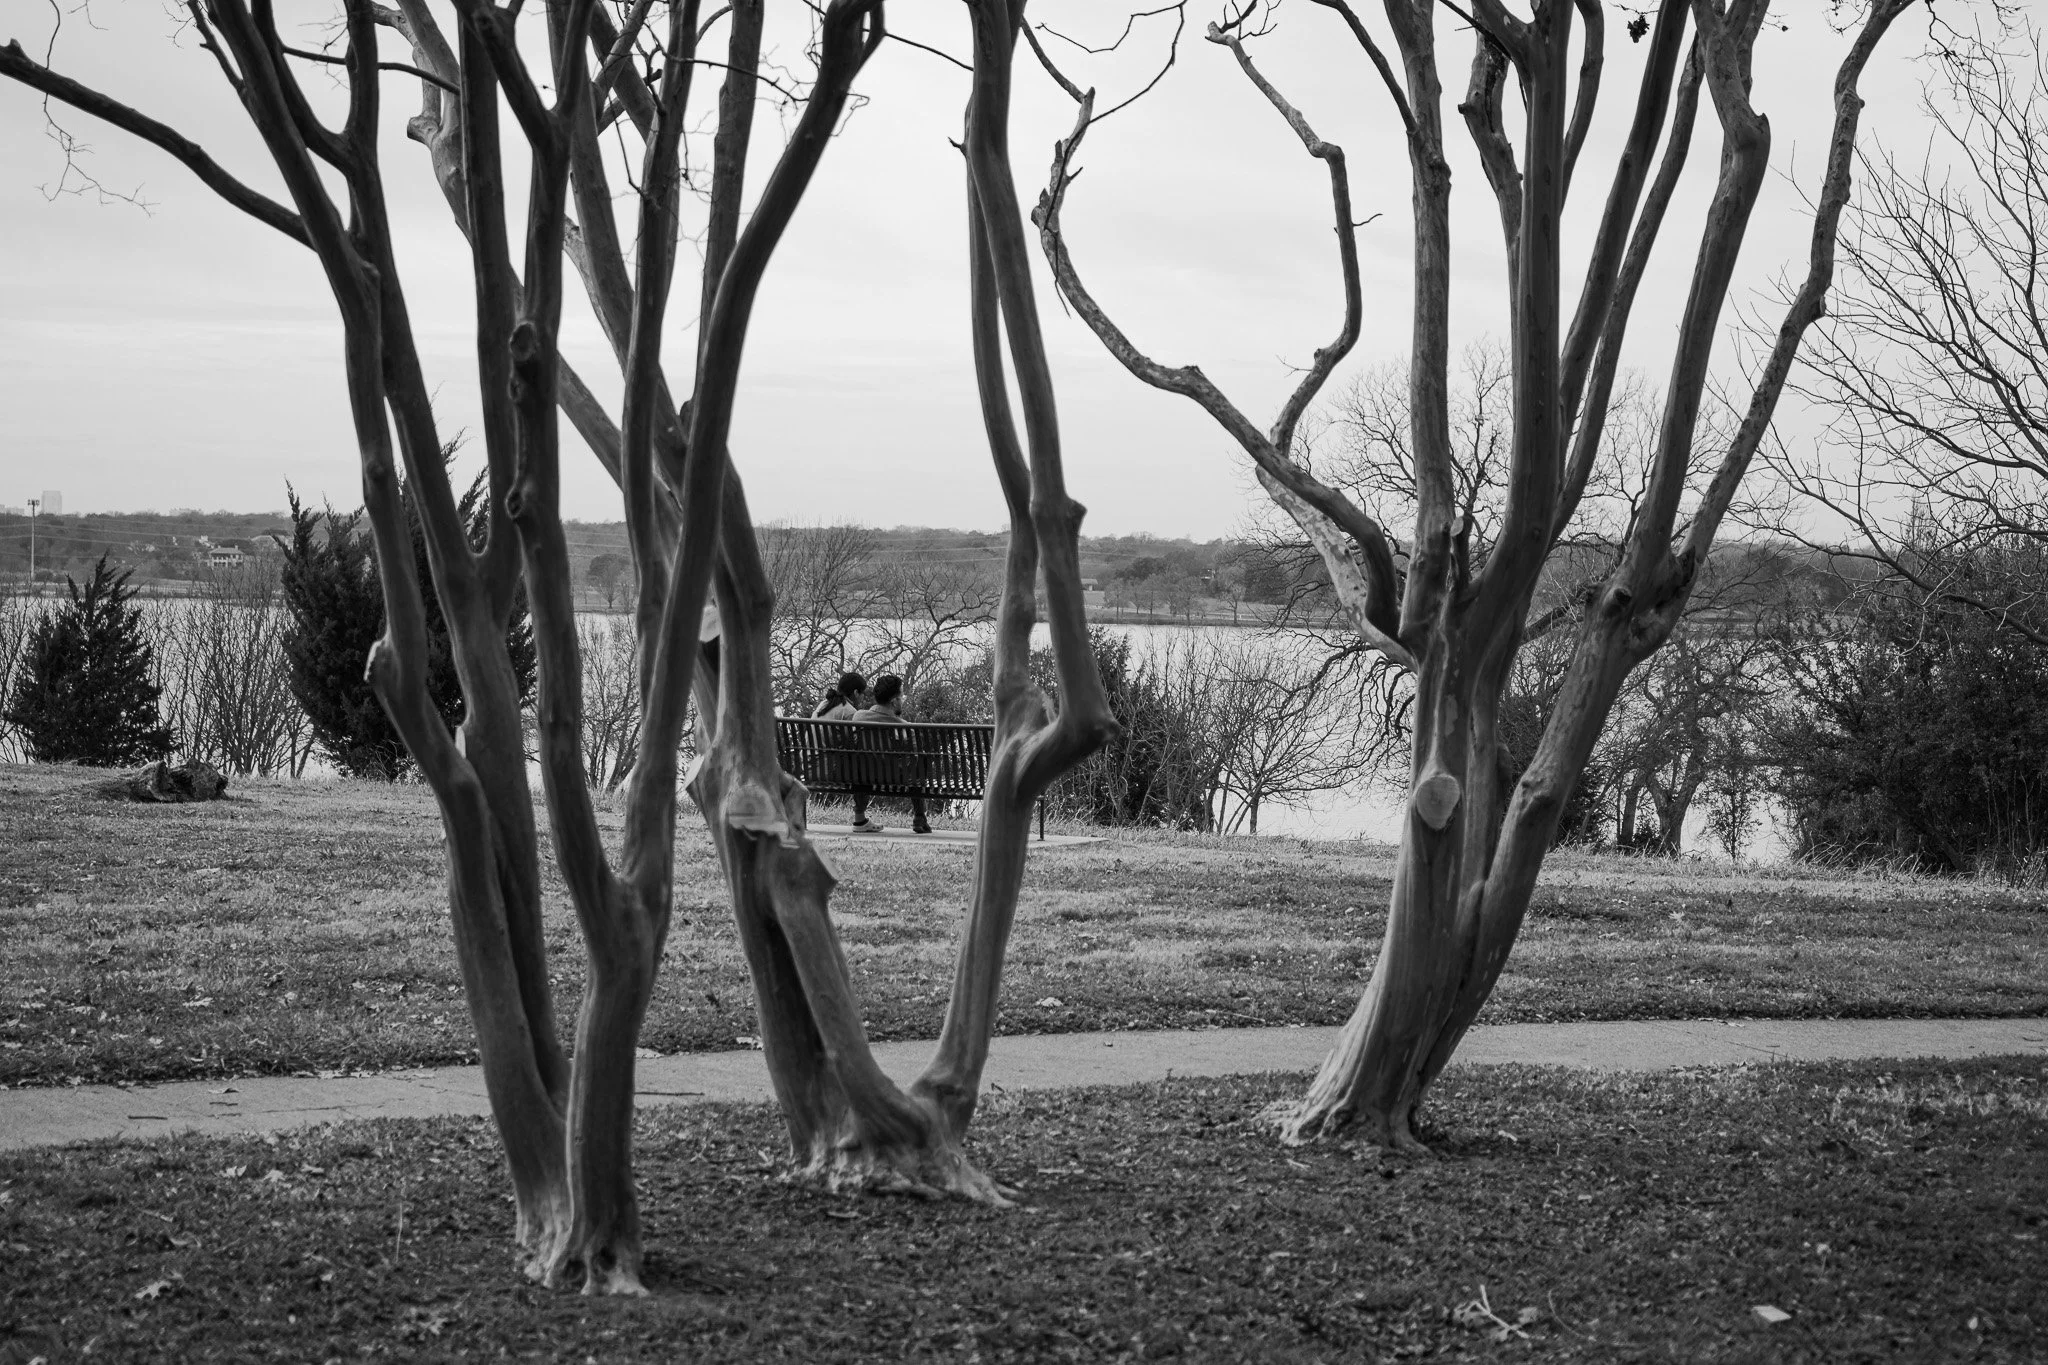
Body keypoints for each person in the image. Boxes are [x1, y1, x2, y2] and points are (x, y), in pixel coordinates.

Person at [850, 674, 930, 834]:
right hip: (896, 778)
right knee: (919, 767)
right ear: (894, 701)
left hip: (865, 776)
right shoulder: (906, 728)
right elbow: (914, 759)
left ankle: (859, 815)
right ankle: (919, 817)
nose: (903, 699)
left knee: (860, 765)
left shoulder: (858, 717)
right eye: (902, 696)